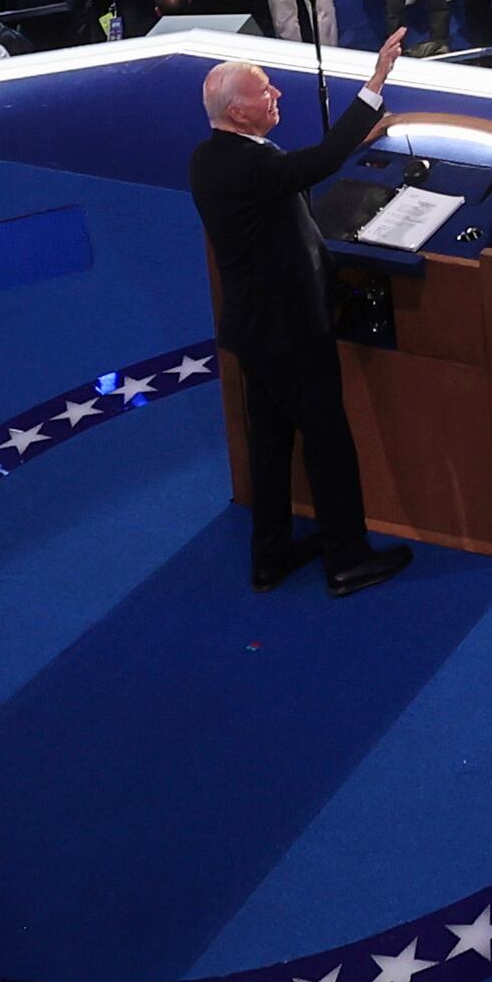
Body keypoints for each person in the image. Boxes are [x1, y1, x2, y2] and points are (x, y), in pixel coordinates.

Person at [188, 44, 416, 599]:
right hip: (291, 330)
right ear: (239, 112)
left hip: (253, 329)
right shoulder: (255, 164)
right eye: (265, 89)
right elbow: (316, 163)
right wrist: (375, 83)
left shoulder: (207, 157)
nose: (277, 94)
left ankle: (270, 555)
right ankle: (347, 560)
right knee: (328, 443)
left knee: (270, 442)